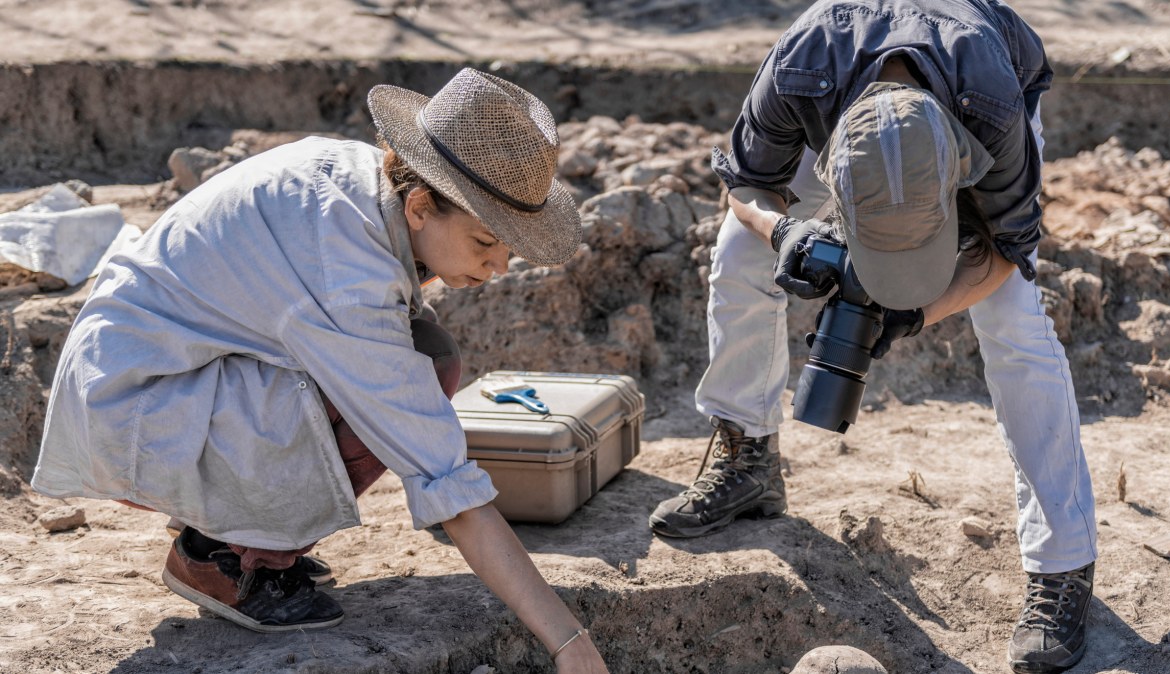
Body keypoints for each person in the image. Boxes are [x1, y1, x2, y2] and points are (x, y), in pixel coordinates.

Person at [32, 68, 608, 673]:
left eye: (510, 248)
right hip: (136, 406)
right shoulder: (346, 271)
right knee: (411, 378)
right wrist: (570, 643)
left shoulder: (362, 179)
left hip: (161, 374)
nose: (498, 267)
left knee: (425, 353)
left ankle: (236, 532)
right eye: (486, 240)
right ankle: (227, 563)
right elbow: (447, 484)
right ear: (419, 204)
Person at [646, 2, 1098, 672]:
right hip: (843, 109)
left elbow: (1008, 249)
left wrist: (918, 313)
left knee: (1013, 319)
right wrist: (787, 232)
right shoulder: (800, 69)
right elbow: (745, 182)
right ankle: (747, 459)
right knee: (739, 254)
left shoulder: (993, 113)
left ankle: (1063, 565)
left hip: (970, 97)